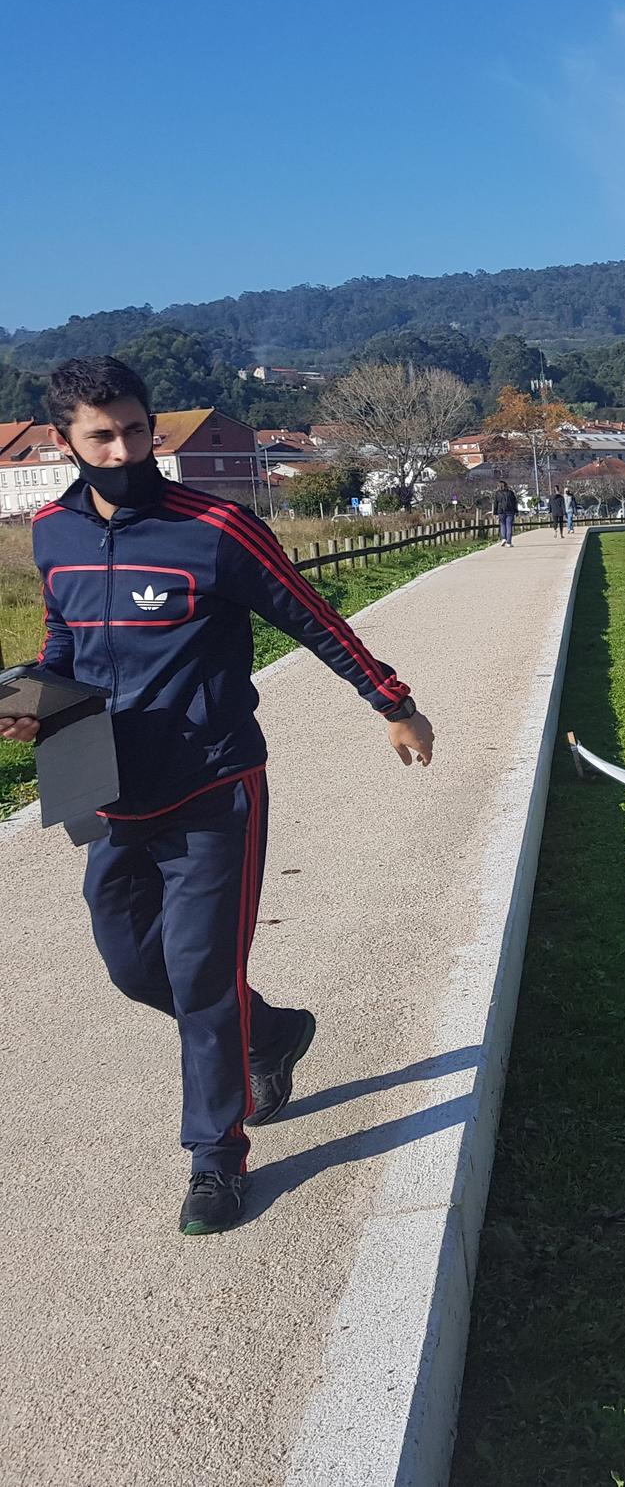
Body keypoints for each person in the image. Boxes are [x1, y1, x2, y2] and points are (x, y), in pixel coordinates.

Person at [1, 356, 437, 1236]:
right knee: (134, 968)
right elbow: (64, 639)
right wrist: (32, 699)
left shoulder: (216, 527)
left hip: (213, 784)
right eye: (100, 435)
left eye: (134, 429)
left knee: (202, 978)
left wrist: (392, 702)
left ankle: (216, 1157)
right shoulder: (52, 533)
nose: (122, 447)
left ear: (149, 425)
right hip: (106, 786)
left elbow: (315, 615)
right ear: (63, 441)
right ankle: (269, 1034)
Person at [494, 483, 518, 547]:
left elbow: (495, 504)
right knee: (509, 526)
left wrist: (495, 513)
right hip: (510, 511)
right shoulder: (511, 493)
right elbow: (515, 502)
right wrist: (516, 511)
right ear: (506, 486)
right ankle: (509, 542)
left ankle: (503, 538)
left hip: (501, 511)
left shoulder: (497, 493)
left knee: (503, 525)